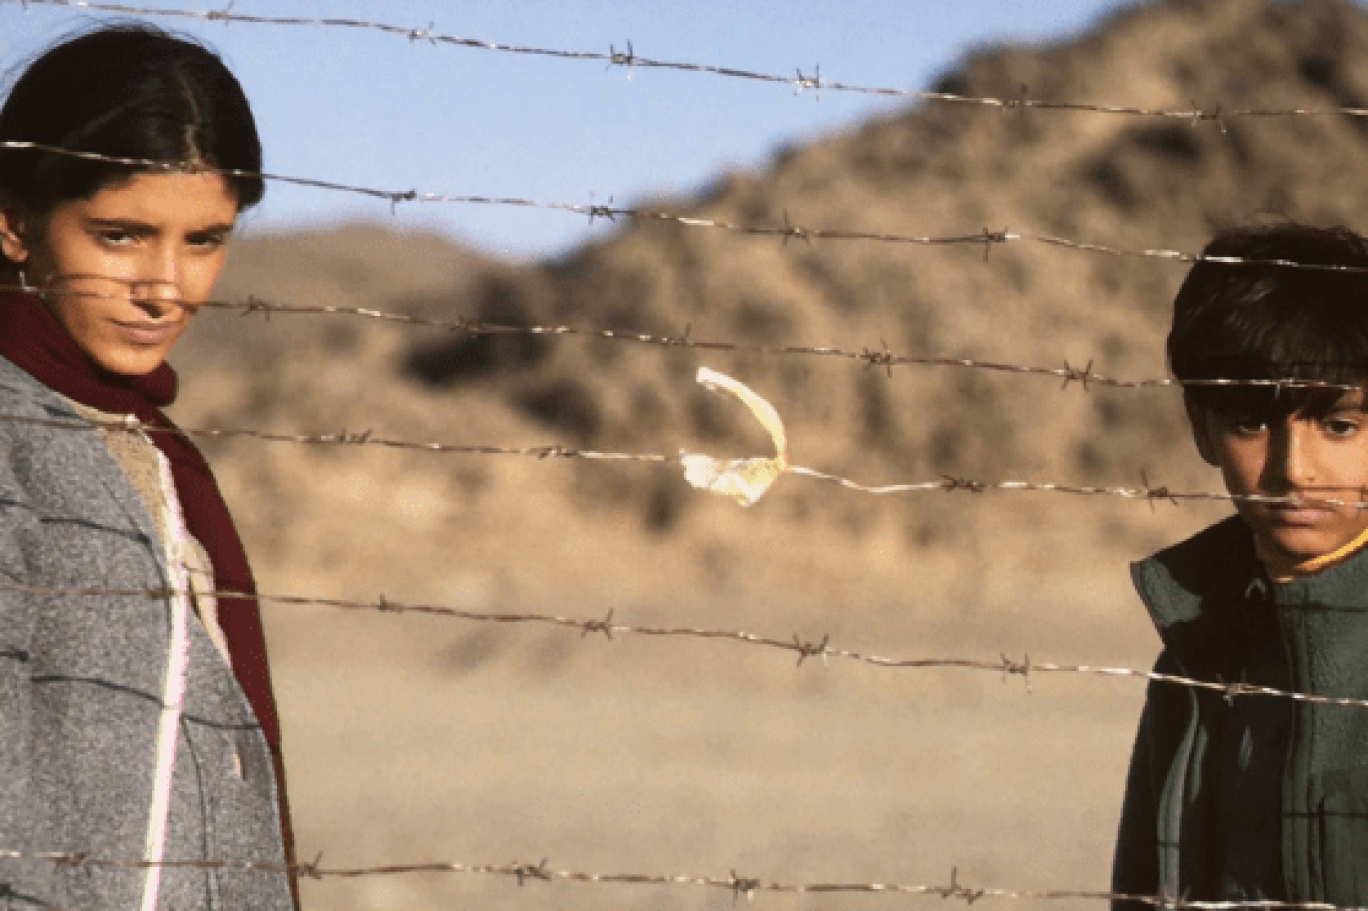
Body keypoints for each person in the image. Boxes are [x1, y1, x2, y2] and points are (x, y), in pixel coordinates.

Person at [0, 24, 297, 910]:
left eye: (204, 240)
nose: (166, 288)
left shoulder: (143, 443)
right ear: (14, 222)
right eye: (121, 236)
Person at [1113, 223, 1368, 906]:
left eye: (1339, 425)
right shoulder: (1195, 653)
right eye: (1250, 423)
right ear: (1201, 426)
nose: (1294, 471)